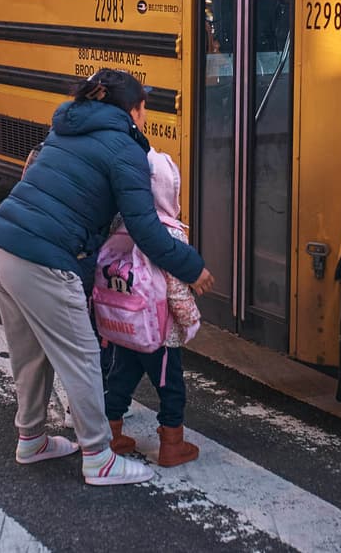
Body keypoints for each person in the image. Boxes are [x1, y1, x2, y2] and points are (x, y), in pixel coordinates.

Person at [0, 68, 214, 486]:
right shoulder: (124, 147)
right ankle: (98, 457)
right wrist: (192, 267)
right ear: (134, 109)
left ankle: (32, 439)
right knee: (83, 358)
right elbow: (145, 229)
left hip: (1, 242)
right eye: (144, 107)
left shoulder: (65, 130)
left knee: (30, 354)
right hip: (44, 258)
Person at [100, 148, 203, 468]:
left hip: (124, 324)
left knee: (120, 379)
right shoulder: (170, 234)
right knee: (170, 387)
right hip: (159, 333)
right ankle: (172, 444)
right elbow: (176, 289)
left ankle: (110, 434)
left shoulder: (121, 224)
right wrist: (190, 322)